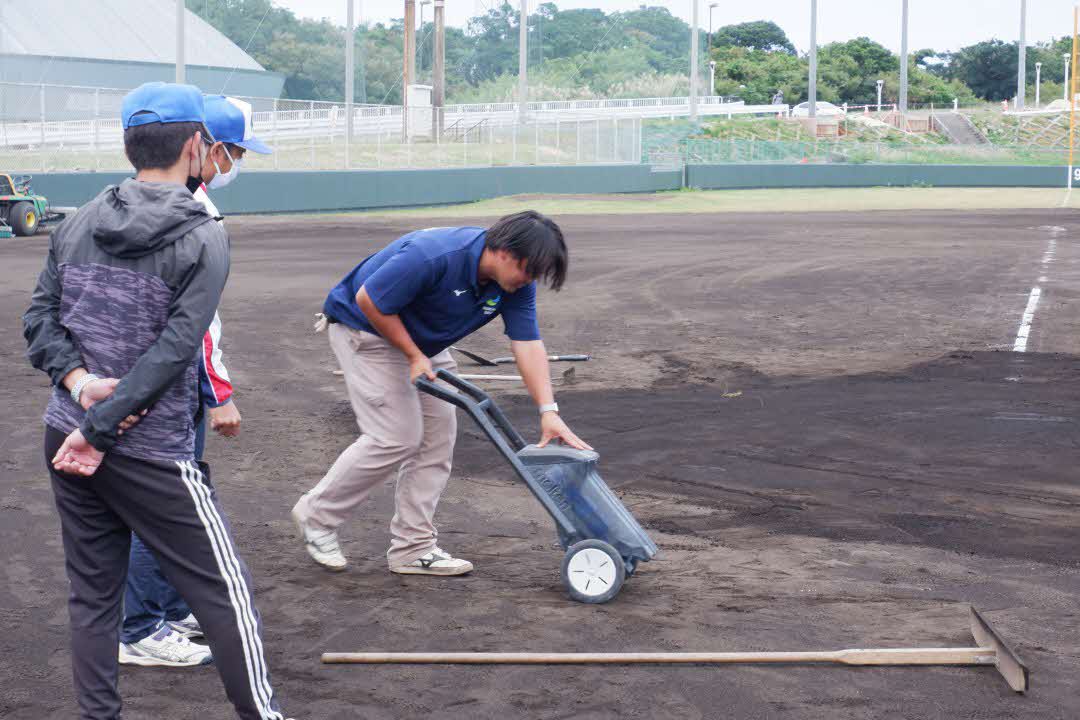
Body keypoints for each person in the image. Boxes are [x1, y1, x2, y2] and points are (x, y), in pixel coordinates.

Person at [23, 81, 289, 720]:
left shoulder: (82, 217)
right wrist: (104, 424)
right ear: (197, 144)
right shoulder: (203, 235)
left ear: (129, 141)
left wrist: (82, 391)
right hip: (149, 452)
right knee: (226, 594)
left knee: (93, 598)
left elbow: (40, 321)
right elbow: (174, 354)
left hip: (67, 434)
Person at [291, 211, 591, 576]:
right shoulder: (433, 255)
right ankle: (317, 516)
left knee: (437, 438)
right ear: (505, 253)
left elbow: (527, 343)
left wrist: (548, 410)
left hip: (423, 342)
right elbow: (370, 300)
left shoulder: (514, 283)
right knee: (395, 436)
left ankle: (412, 548)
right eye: (528, 271)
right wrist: (414, 355)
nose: (529, 281)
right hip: (366, 330)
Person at [118, 94, 272, 669]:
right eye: (233, 151)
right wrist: (220, 394)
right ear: (203, 147)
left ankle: (167, 606)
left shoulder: (136, 201)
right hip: (163, 382)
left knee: (175, 496)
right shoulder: (191, 214)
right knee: (167, 502)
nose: (235, 163)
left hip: (143, 378)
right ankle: (140, 629)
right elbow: (196, 321)